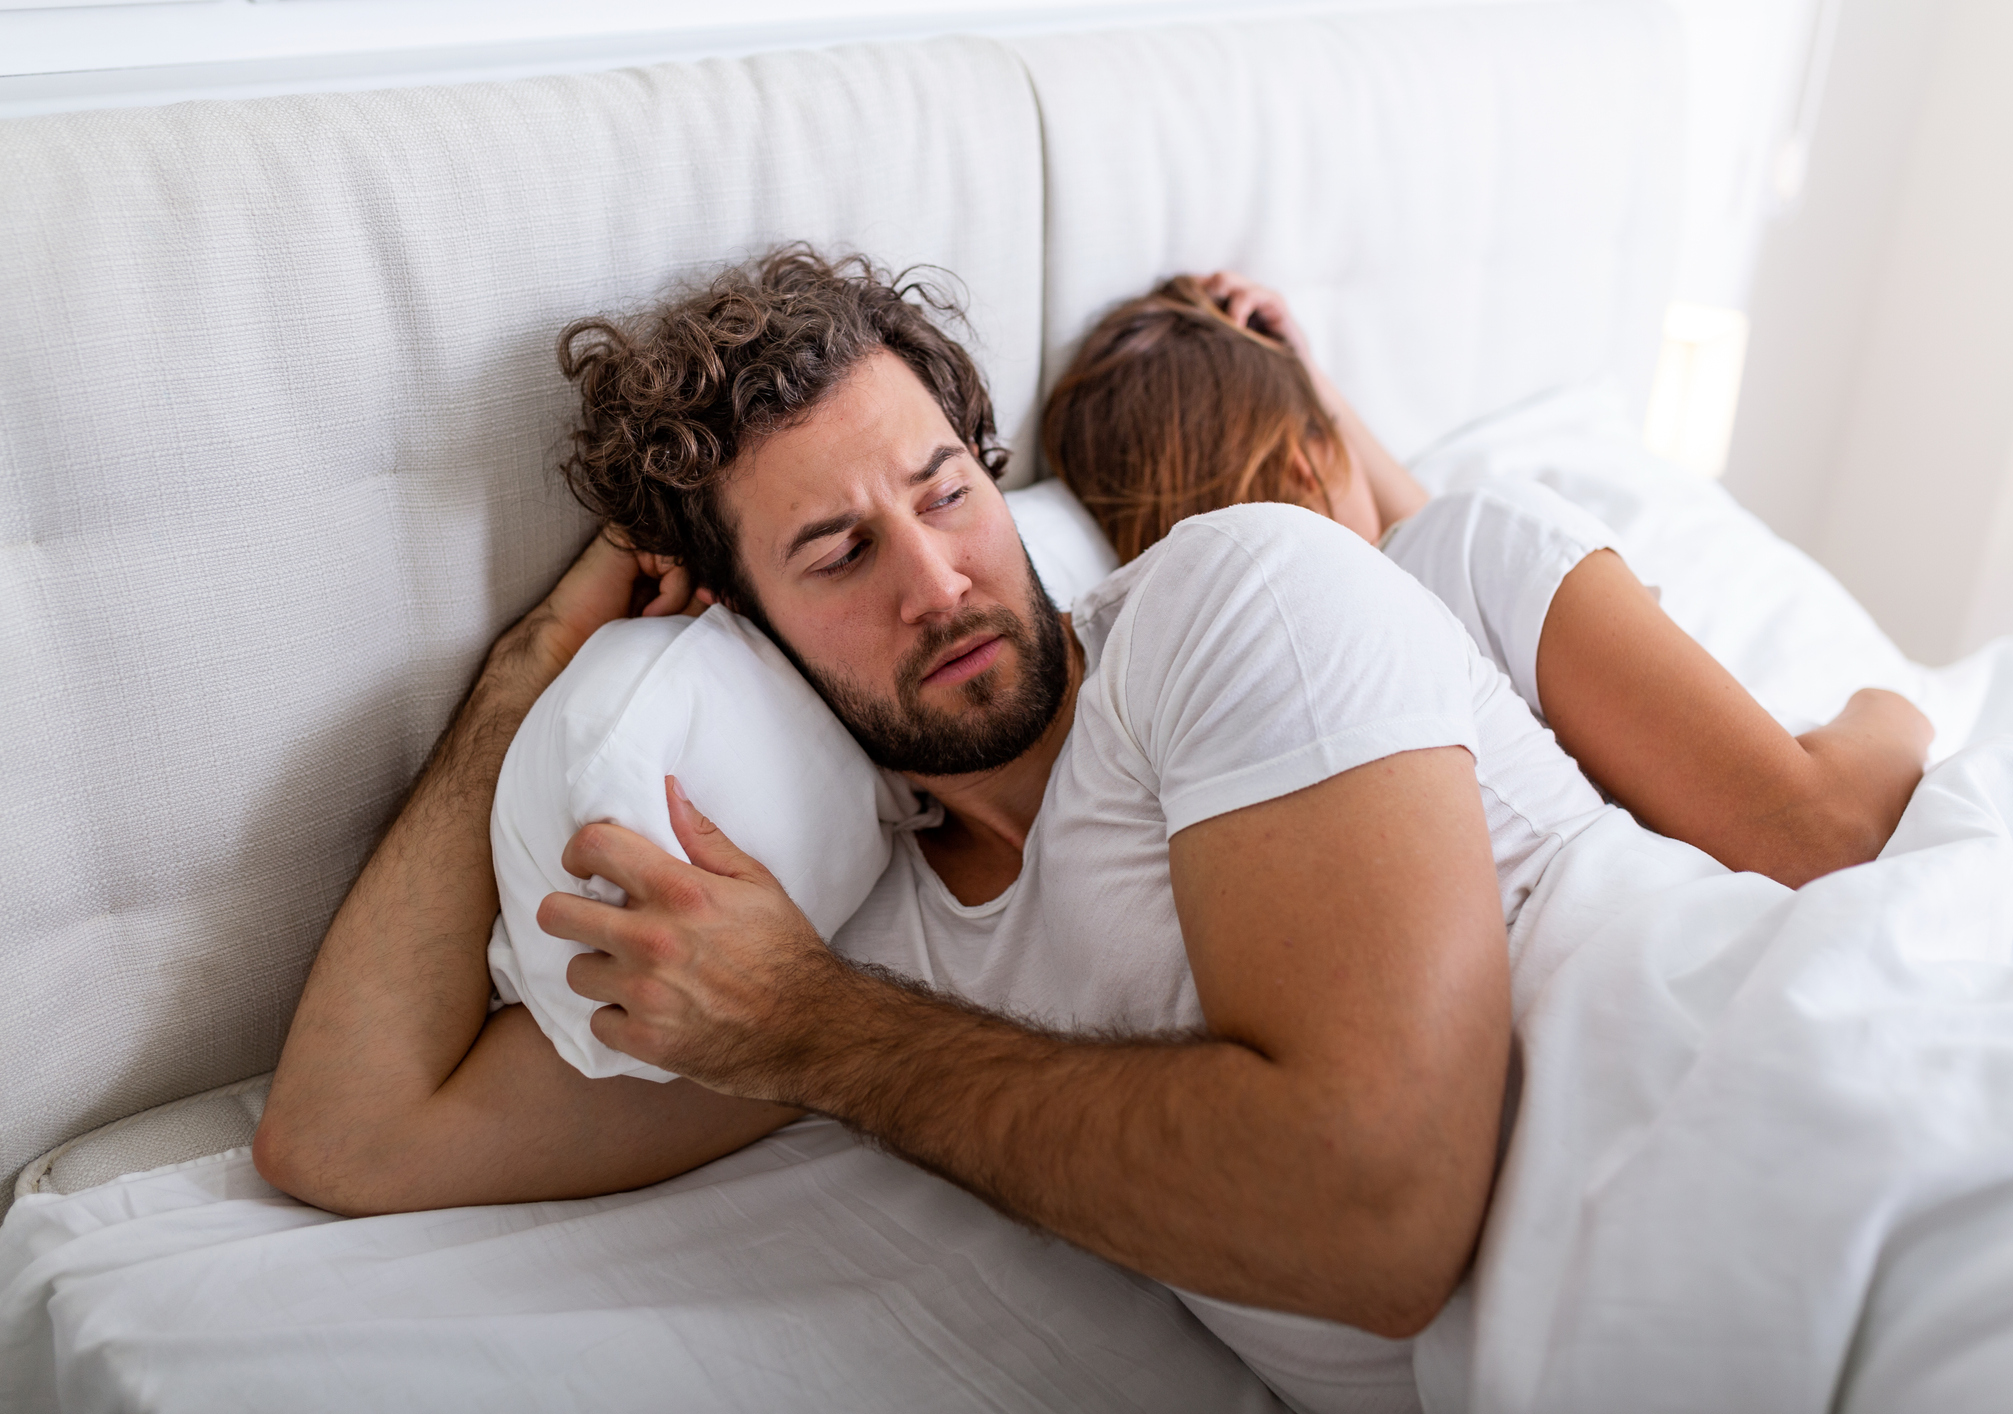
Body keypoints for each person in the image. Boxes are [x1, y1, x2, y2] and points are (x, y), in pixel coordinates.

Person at [254, 248, 1524, 1363]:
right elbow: (348, 1133)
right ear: (745, 629)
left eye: (945, 492)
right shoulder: (844, 943)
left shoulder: (1236, 601)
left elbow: (1380, 1226)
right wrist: (525, 674)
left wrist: (810, 1025)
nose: (936, 580)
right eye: (838, 553)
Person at [1041, 273, 1935, 888]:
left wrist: (1307, 396)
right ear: (1313, 456)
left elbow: (1425, 550)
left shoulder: (1198, 709)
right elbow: (1823, 835)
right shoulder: (1468, 548)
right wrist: (1895, 705)